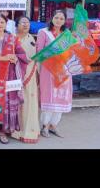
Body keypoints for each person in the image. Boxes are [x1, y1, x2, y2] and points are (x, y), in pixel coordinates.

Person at [0, 14, 28, 144]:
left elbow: (22, 54)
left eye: (2, 22)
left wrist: (15, 58)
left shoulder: (12, 39)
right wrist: (1, 58)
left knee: (6, 102)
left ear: (6, 24)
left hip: (9, 75)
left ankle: (2, 131)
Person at [37, 10, 72, 138]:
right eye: (56, 17)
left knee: (61, 97)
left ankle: (53, 125)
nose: (58, 20)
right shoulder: (43, 33)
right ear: (52, 18)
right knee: (49, 96)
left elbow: (70, 52)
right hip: (48, 70)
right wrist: (53, 55)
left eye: (61, 19)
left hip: (64, 70)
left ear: (64, 21)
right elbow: (39, 52)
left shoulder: (67, 35)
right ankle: (45, 126)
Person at [12, 16, 40, 143]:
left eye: (28, 23)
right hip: (14, 74)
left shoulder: (32, 39)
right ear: (17, 25)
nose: (25, 25)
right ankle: (13, 130)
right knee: (14, 102)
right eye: (23, 22)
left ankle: (29, 130)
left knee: (29, 102)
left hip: (30, 75)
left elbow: (37, 58)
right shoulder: (12, 38)